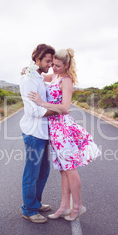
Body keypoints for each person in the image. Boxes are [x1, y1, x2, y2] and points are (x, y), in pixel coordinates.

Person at [28, 48, 101, 221]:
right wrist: (27, 69)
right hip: (54, 129)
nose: (53, 68)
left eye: (58, 65)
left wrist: (41, 102)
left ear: (66, 65)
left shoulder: (66, 80)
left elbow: (65, 108)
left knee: (70, 169)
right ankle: (64, 206)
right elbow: (38, 75)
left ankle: (77, 207)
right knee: (63, 170)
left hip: (62, 129)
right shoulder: (55, 76)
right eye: (52, 64)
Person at [19, 44, 69, 224]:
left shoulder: (38, 77)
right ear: (37, 59)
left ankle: (35, 202)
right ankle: (29, 210)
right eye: (47, 61)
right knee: (31, 173)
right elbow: (34, 110)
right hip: (33, 133)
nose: (50, 64)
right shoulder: (28, 81)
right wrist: (59, 111)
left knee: (43, 171)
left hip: (43, 132)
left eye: (52, 61)